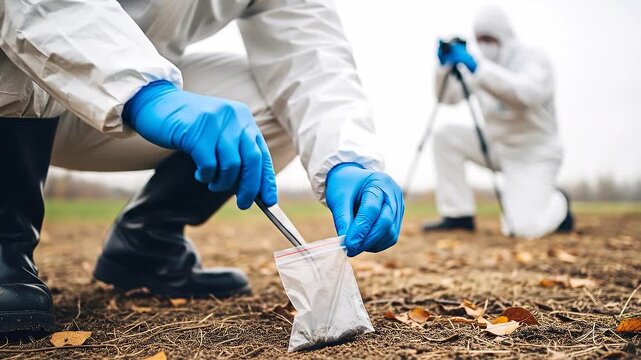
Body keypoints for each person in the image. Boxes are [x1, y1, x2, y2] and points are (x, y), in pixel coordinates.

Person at [0, 0, 404, 335]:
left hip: (117, 102)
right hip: (28, 81)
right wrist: (145, 93)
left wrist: (348, 158)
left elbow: (309, 47)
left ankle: (146, 244)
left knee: (273, 109)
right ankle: (6, 244)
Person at [422, 6, 573, 237]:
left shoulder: (534, 60)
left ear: (505, 36)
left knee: (522, 228)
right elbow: (447, 98)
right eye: (479, 39)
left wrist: (477, 66)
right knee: (445, 136)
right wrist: (442, 68)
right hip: (496, 146)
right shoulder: (481, 65)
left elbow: (526, 95)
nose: (484, 45)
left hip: (534, 155)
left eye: (489, 39)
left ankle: (559, 202)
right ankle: (458, 215)